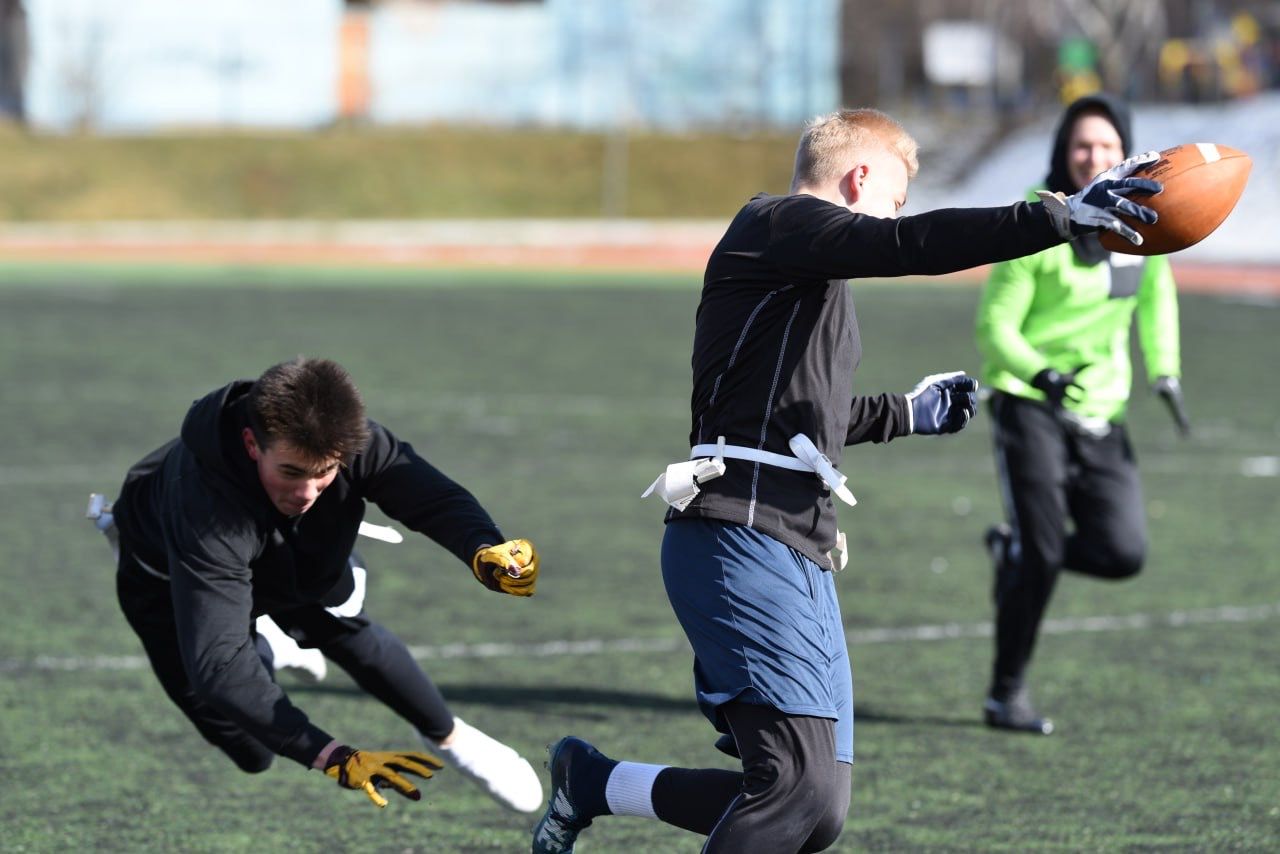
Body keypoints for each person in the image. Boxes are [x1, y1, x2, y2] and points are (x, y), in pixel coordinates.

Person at [530, 108, 1163, 853]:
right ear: (860, 177)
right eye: (896, 196)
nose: (897, 214)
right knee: (794, 793)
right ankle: (593, 783)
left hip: (796, 543)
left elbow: (816, 415)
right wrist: (1057, 216)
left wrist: (910, 412)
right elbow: (905, 244)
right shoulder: (776, 224)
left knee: (816, 808)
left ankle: (594, 782)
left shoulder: (809, 275)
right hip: (737, 534)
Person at [93, 356, 545, 811]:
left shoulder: (348, 441)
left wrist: (483, 547)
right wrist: (332, 756)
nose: (307, 493)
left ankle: (451, 737)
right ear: (252, 444)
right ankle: (268, 640)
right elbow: (218, 666)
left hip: (277, 549)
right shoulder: (206, 509)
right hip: (173, 580)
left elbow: (429, 494)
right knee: (254, 752)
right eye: (291, 471)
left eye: (325, 472)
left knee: (345, 628)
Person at [975, 93, 1186, 735]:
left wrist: (1165, 369)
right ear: (1063, 155)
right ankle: (1004, 694)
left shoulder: (1141, 219)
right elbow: (995, 327)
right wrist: (1041, 371)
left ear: (1124, 152)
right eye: (1082, 146)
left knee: (1123, 552)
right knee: (1042, 554)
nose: (1096, 156)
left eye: (1107, 146)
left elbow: (1158, 297)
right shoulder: (1036, 223)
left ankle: (1012, 551)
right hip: (1030, 400)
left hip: (1102, 410)